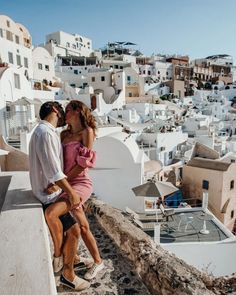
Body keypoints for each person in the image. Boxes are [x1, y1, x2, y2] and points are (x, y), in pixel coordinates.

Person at [29, 101, 90, 291]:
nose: (64, 114)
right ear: (55, 110)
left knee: (74, 229)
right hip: (48, 196)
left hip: (50, 191)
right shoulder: (45, 132)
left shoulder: (44, 132)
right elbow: (54, 171)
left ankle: (72, 259)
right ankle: (67, 274)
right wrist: (71, 193)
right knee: (74, 232)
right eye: (62, 110)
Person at [45, 100, 104, 281]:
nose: (64, 113)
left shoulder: (87, 132)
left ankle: (62, 260)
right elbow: (57, 162)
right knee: (83, 227)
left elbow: (83, 164)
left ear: (78, 111)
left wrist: (62, 185)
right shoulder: (63, 135)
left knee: (55, 213)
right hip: (66, 184)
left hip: (79, 184)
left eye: (68, 110)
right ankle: (97, 261)